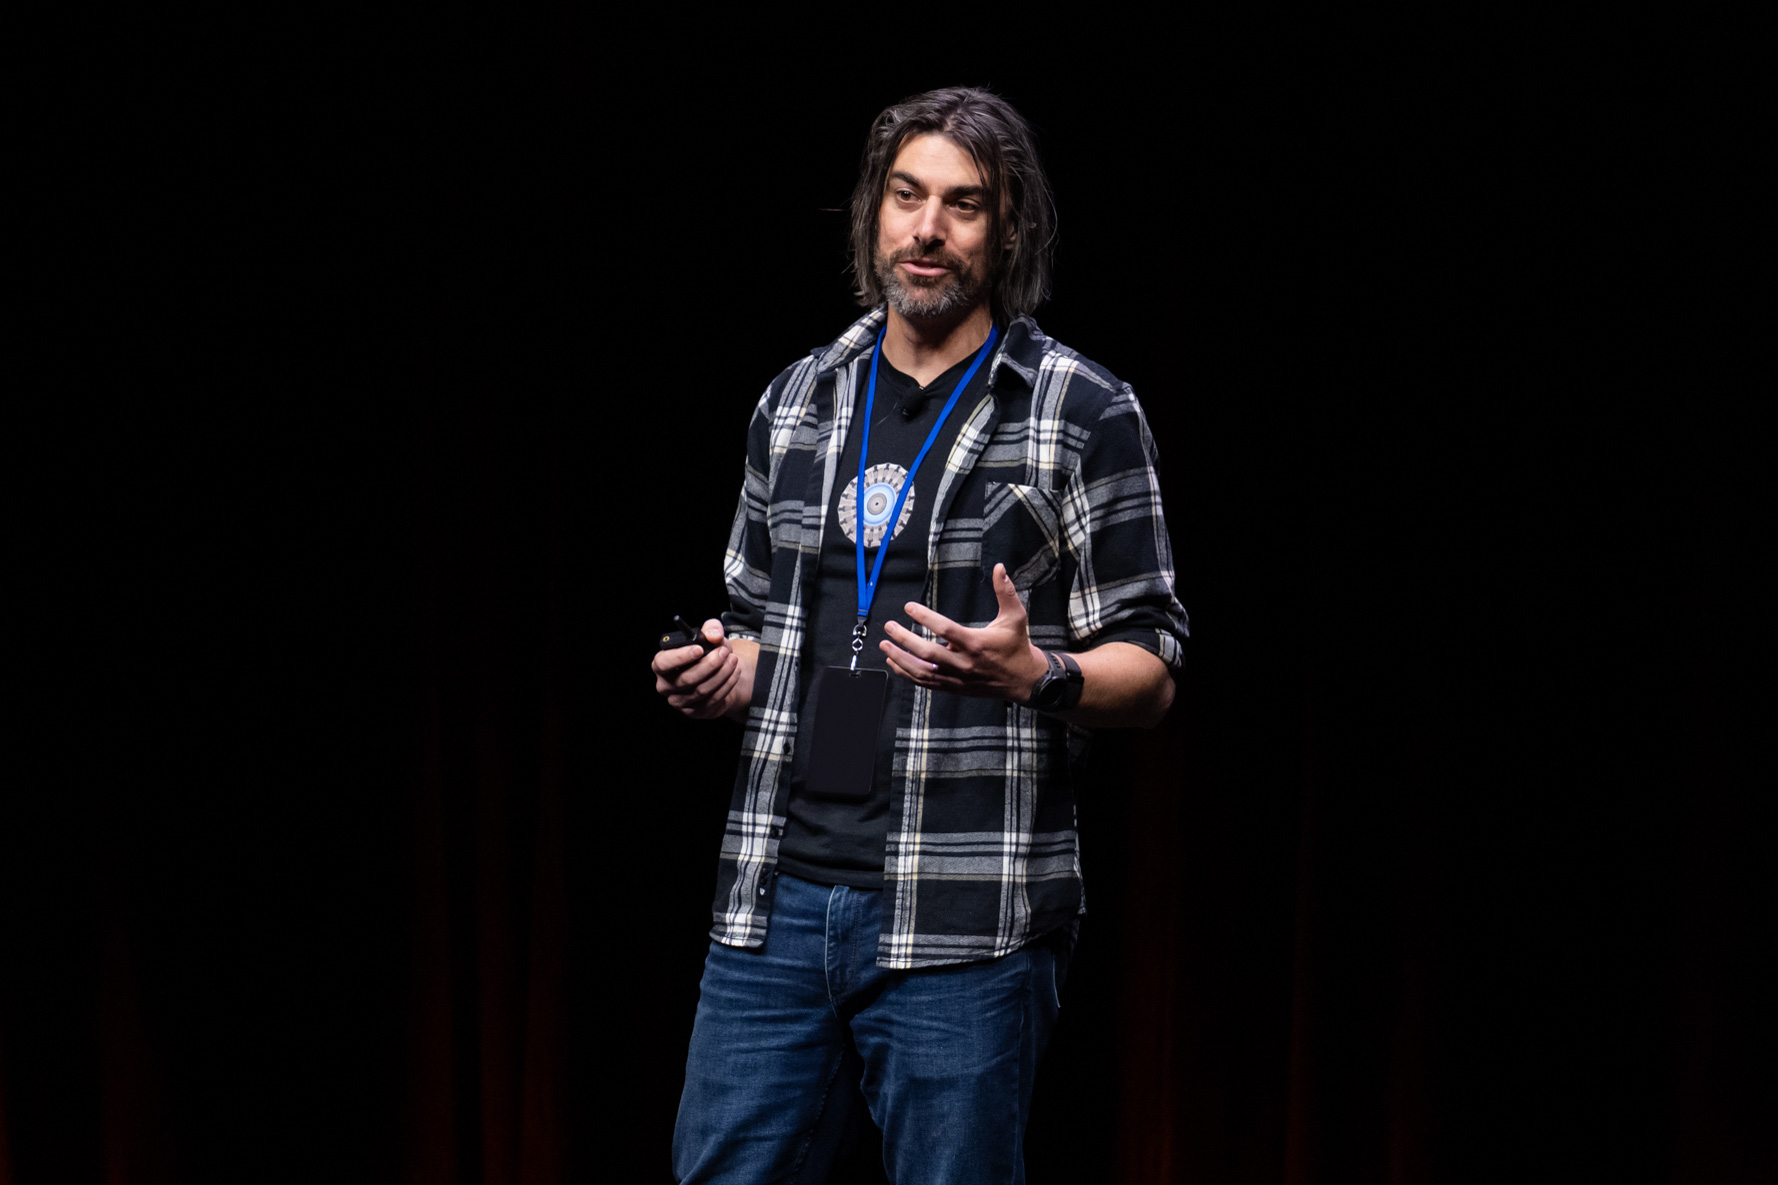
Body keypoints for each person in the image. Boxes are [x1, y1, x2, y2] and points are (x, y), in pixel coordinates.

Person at [653, 86, 1189, 1183]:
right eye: (905, 197)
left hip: (965, 918)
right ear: (873, 211)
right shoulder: (798, 400)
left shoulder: (1080, 411)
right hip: (775, 903)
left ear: (1008, 231)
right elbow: (760, 627)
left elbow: (1152, 664)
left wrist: (1036, 673)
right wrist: (722, 669)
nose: (927, 230)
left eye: (962, 205)